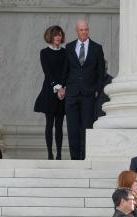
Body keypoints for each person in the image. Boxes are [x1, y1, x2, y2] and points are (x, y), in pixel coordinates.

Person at [64, 19, 105, 160]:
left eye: (86, 29)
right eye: (81, 30)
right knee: (72, 128)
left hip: (89, 94)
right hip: (72, 94)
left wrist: (97, 90)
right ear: (77, 31)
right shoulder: (69, 47)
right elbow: (65, 70)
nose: (84, 32)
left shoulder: (97, 48)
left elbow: (101, 73)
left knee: (87, 128)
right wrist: (62, 87)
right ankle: (74, 159)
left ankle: (85, 158)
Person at [34, 25, 67, 160]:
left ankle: (59, 154)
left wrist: (63, 87)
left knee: (59, 125)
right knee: (49, 123)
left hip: (63, 92)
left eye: (59, 34)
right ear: (50, 37)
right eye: (55, 35)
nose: (58, 37)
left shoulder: (65, 52)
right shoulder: (44, 52)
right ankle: (50, 153)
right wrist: (57, 87)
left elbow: (66, 71)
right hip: (49, 90)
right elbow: (47, 72)